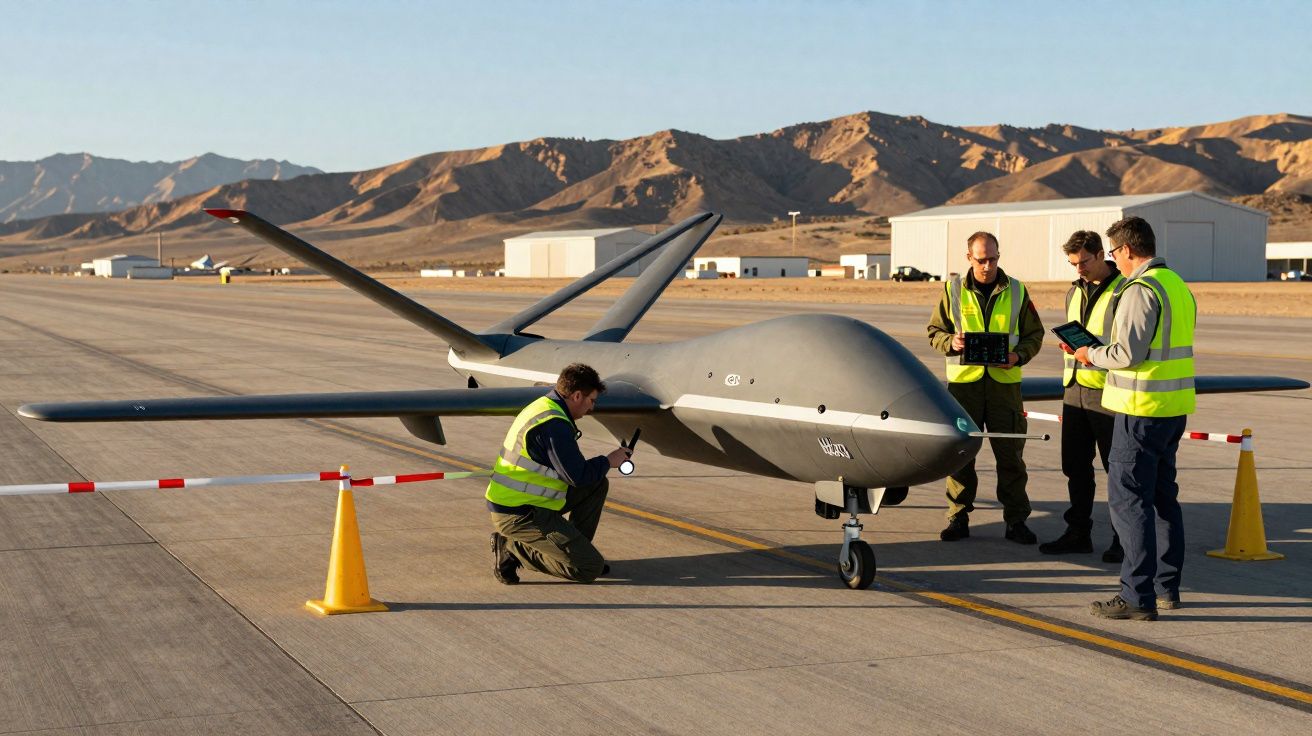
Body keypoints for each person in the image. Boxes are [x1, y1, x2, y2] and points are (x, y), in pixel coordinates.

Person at [1072, 216, 1195, 621]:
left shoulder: (1140, 289)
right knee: (1162, 499)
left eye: (1113, 254)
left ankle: (1135, 596)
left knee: (1129, 502)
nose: (1114, 261)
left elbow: (1127, 354)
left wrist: (1090, 355)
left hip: (1140, 410)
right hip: (1171, 409)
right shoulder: (1176, 285)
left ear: (1126, 250)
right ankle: (1165, 589)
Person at [927, 231, 1044, 544]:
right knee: (961, 456)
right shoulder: (952, 290)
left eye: (993, 258)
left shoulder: (1017, 291)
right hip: (964, 388)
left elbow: (1035, 335)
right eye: (981, 260)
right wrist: (950, 342)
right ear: (969, 258)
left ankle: (1017, 520)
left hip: (1004, 387)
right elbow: (934, 332)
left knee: (1011, 457)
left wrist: (1018, 355)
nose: (987, 265)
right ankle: (958, 517)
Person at [486, 363, 632, 584]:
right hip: (518, 515)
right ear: (576, 396)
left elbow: (578, 475)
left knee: (596, 483)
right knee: (589, 568)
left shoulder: (546, 406)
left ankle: (574, 552)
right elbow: (578, 476)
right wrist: (609, 460)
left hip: (530, 502)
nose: (591, 408)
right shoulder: (554, 425)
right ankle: (511, 548)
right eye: (591, 400)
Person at [1040, 231, 1125, 563]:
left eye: (1084, 262)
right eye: (1073, 264)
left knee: (1116, 469)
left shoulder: (1123, 290)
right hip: (1074, 389)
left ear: (1101, 254)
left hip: (1107, 391)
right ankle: (1078, 532)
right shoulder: (1073, 291)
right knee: (1075, 466)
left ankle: (1123, 536)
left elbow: (1124, 344)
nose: (1079, 269)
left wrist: (1093, 351)